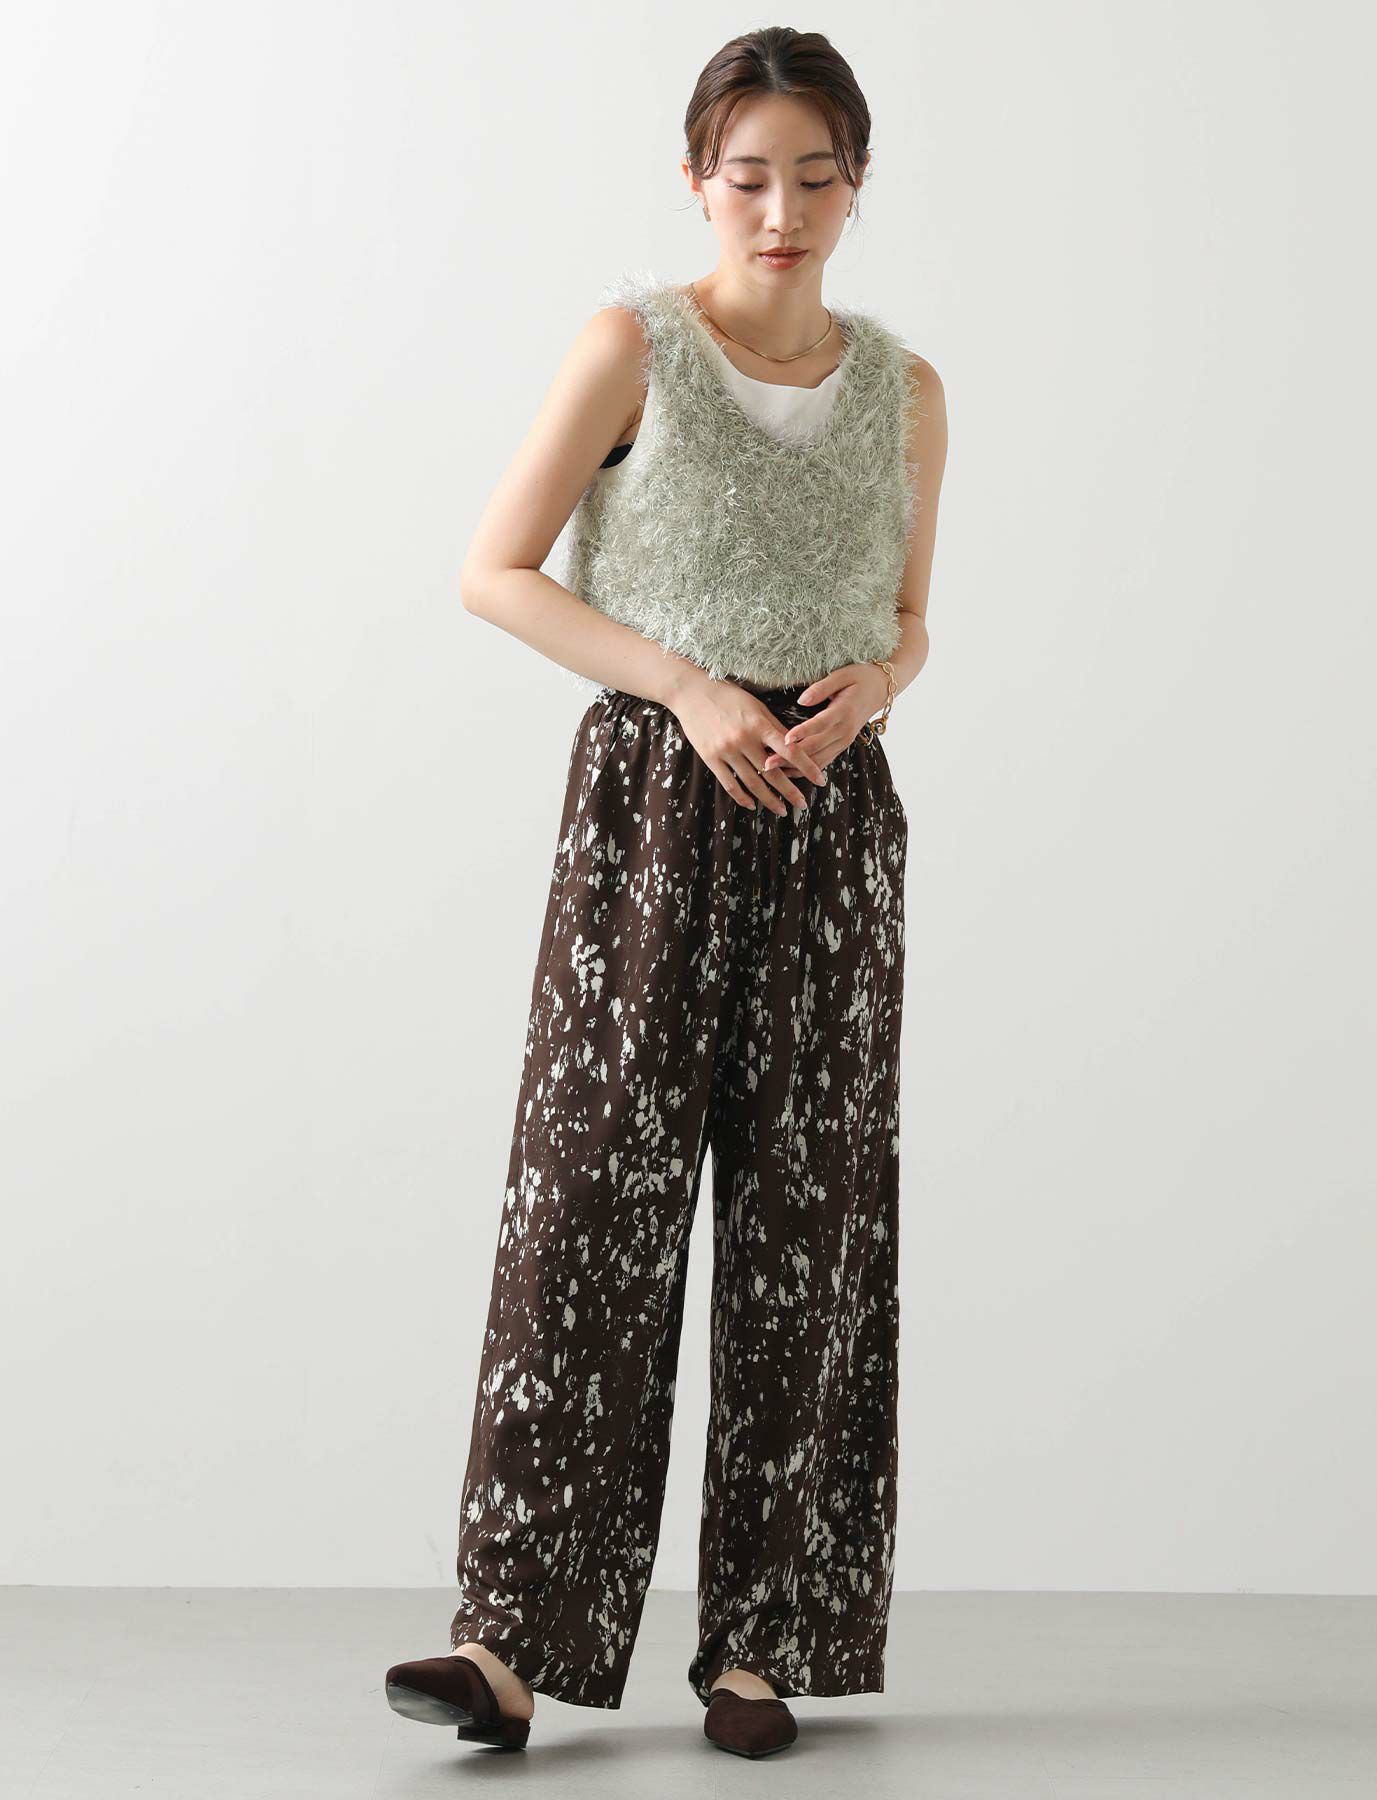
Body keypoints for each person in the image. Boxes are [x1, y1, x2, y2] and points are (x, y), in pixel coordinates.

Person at [385, 25, 947, 1761]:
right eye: (749, 175)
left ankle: (764, 1645)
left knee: (808, 1223)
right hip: (650, 807)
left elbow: (910, 618)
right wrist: (687, 686)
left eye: (816, 176)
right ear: (698, 179)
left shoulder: (909, 392)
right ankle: (507, 1644)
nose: (782, 210)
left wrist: (877, 686)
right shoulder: (633, 348)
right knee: (590, 1206)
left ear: (857, 183)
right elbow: (495, 570)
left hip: (831, 830)